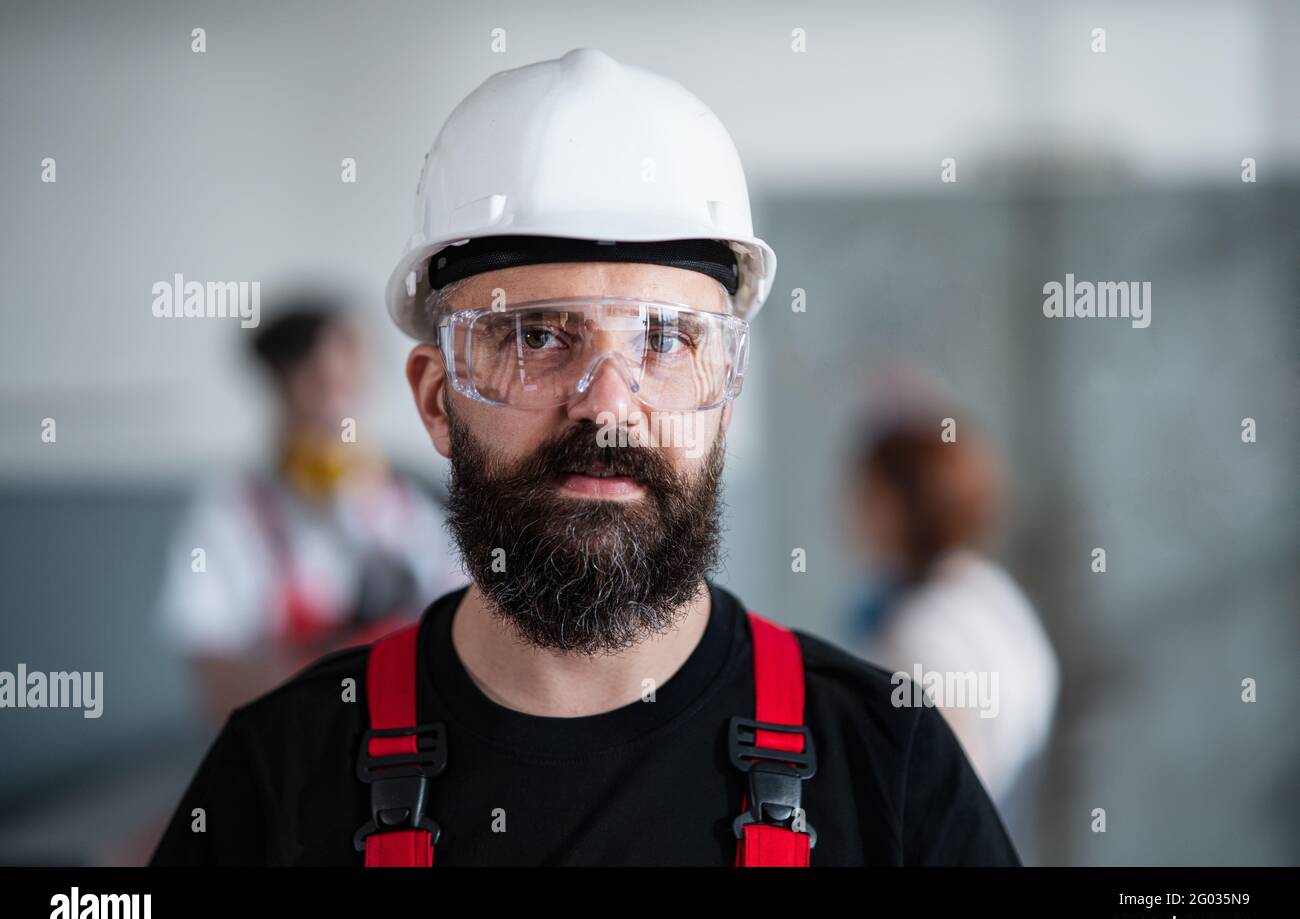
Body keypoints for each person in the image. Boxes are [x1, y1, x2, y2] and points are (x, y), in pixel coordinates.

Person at [151, 49, 1018, 866]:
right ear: (433, 399)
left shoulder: (890, 768)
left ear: (726, 394)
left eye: (667, 340)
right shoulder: (278, 775)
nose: (606, 403)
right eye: (535, 337)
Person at [154, 297, 465, 723]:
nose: (338, 407)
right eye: (320, 384)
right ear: (282, 384)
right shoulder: (232, 510)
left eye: (353, 383)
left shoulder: (415, 499)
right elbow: (217, 677)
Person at [845, 402, 1059, 818]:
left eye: (866, 491)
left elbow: (929, 798)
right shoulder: (996, 597)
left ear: (897, 505)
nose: (851, 509)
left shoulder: (921, 634)